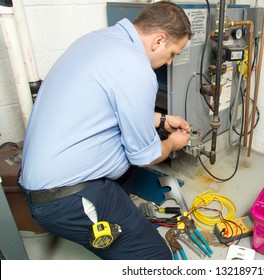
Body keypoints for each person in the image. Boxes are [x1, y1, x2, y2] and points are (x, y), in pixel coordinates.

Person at [19, 1, 192, 260]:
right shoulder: (137, 69)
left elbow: (110, 106)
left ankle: (120, 213)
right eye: (173, 54)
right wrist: (173, 143)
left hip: (42, 177)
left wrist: (162, 120)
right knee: (156, 259)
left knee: (128, 165)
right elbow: (146, 156)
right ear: (158, 40)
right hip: (63, 198)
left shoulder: (98, 40)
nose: (169, 62)